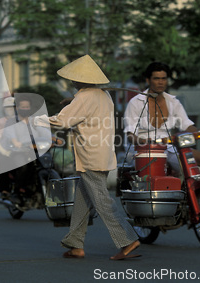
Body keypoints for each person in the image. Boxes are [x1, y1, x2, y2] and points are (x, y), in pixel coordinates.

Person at [36, 55, 140, 260]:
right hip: (100, 153)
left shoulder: (84, 98)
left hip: (90, 156)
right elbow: (85, 111)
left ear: (81, 79)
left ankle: (128, 240)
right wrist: (73, 101)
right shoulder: (102, 95)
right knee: (83, 199)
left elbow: (63, 121)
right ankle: (75, 244)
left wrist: (35, 120)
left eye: (74, 78)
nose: (72, 81)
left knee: (102, 200)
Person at [123, 62, 200, 175]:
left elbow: (187, 125)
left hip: (168, 148)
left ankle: (192, 190)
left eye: (164, 79)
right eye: (156, 78)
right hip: (142, 150)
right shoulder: (135, 102)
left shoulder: (173, 102)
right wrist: (143, 141)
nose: (160, 82)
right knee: (154, 175)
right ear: (148, 81)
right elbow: (130, 134)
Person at [0, 96, 16, 199]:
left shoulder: (22, 120)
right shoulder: (1, 122)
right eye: (8, 107)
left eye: (12, 107)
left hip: (22, 150)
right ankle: (5, 190)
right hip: (6, 152)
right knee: (5, 166)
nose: (10, 110)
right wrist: (4, 151)